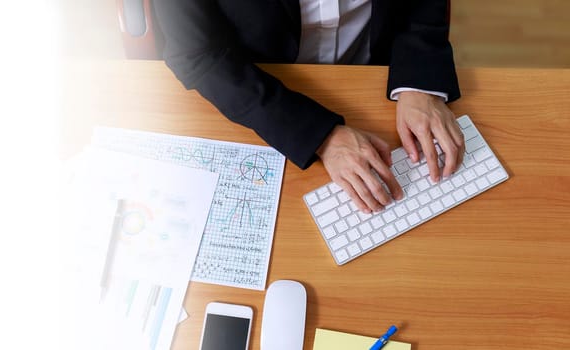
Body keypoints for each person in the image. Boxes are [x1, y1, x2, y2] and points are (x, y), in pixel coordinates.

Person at [154, 0, 464, 213]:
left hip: (375, 81)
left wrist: (418, 84)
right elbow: (195, 55)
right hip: (262, 97)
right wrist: (320, 135)